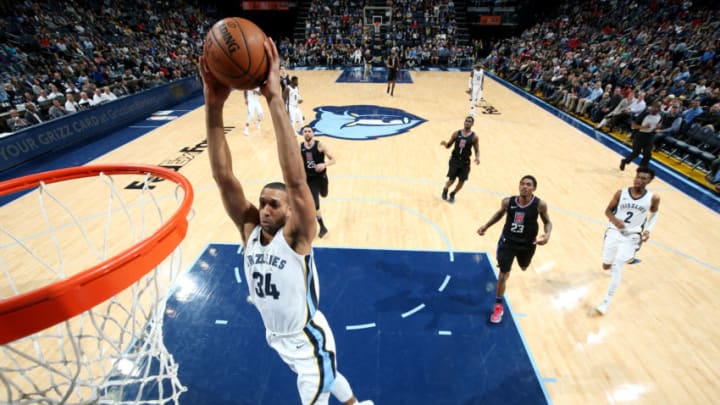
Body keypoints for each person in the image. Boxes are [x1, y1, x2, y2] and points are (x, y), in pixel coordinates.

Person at [201, 37, 372, 405]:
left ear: (291, 211)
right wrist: (213, 107)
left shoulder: (297, 237)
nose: (264, 209)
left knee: (320, 381)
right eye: (262, 203)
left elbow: (295, 180)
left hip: (308, 340)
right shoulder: (248, 230)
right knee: (334, 377)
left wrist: (275, 98)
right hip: (278, 340)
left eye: (274, 205)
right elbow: (223, 176)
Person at [476, 175, 552, 323]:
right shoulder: (508, 202)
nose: (524, 186)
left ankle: (520, 264)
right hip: (508, 242)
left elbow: (548, 222)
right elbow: (499, 214)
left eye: (528, 184)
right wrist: (486, 226)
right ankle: (498, 305)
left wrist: (547, 234)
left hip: (527, 244)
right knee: (503, 274)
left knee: (523, 266)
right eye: (522, 183)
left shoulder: (539, 204)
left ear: (534, 188)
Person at [597, 166, 660, 314]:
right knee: (606, 265)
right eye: (638, 177)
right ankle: (617, 262)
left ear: (649, 181)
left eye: (644, 178)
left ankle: (606, 301)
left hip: (632, 235)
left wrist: (648, 230)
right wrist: (615, 220)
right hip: (614, 232)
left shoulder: (653, 198)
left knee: (618, 264)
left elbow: (654, 214)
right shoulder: (621, 193)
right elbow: (607, 211)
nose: (639, 180)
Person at [300, 126, 335, 238]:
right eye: (305, 132)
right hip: (310, 180)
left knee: (324, 195)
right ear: (303, 134)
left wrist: (324, 164)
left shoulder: (320, 145)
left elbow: (333, 159)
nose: (307, 133)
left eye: (309, 131)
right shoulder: (300, 147)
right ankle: (322, 227)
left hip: (321, 177)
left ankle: (322, 192)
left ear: (313, 133)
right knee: (315, 205)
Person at [440, 116, 480, 203]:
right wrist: (444, 144)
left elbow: (477, 150)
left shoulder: (474, 137)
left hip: (465, 162)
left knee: (461, 182)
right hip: (455, 160)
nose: (467, 123)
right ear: (464, 122)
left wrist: (477, 157)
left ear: (472, 124)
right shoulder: (456, 133)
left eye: (469, 121)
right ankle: (445, 189)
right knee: (451, 180)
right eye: (466, 121)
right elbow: (449, 146)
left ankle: (453, 194)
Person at [620, 102, 662, 170]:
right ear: (652, 107)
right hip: (640, 135)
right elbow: (633, 126)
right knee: (636, 153)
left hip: (650, 135)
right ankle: (625, 161)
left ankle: (642, 169)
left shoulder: (660, 116)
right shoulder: (645, 114)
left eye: (658, 108)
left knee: (647, 154)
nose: (656, 109)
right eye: (655, 107)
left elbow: (657, 125)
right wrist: (643, 127)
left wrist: (657, 128)